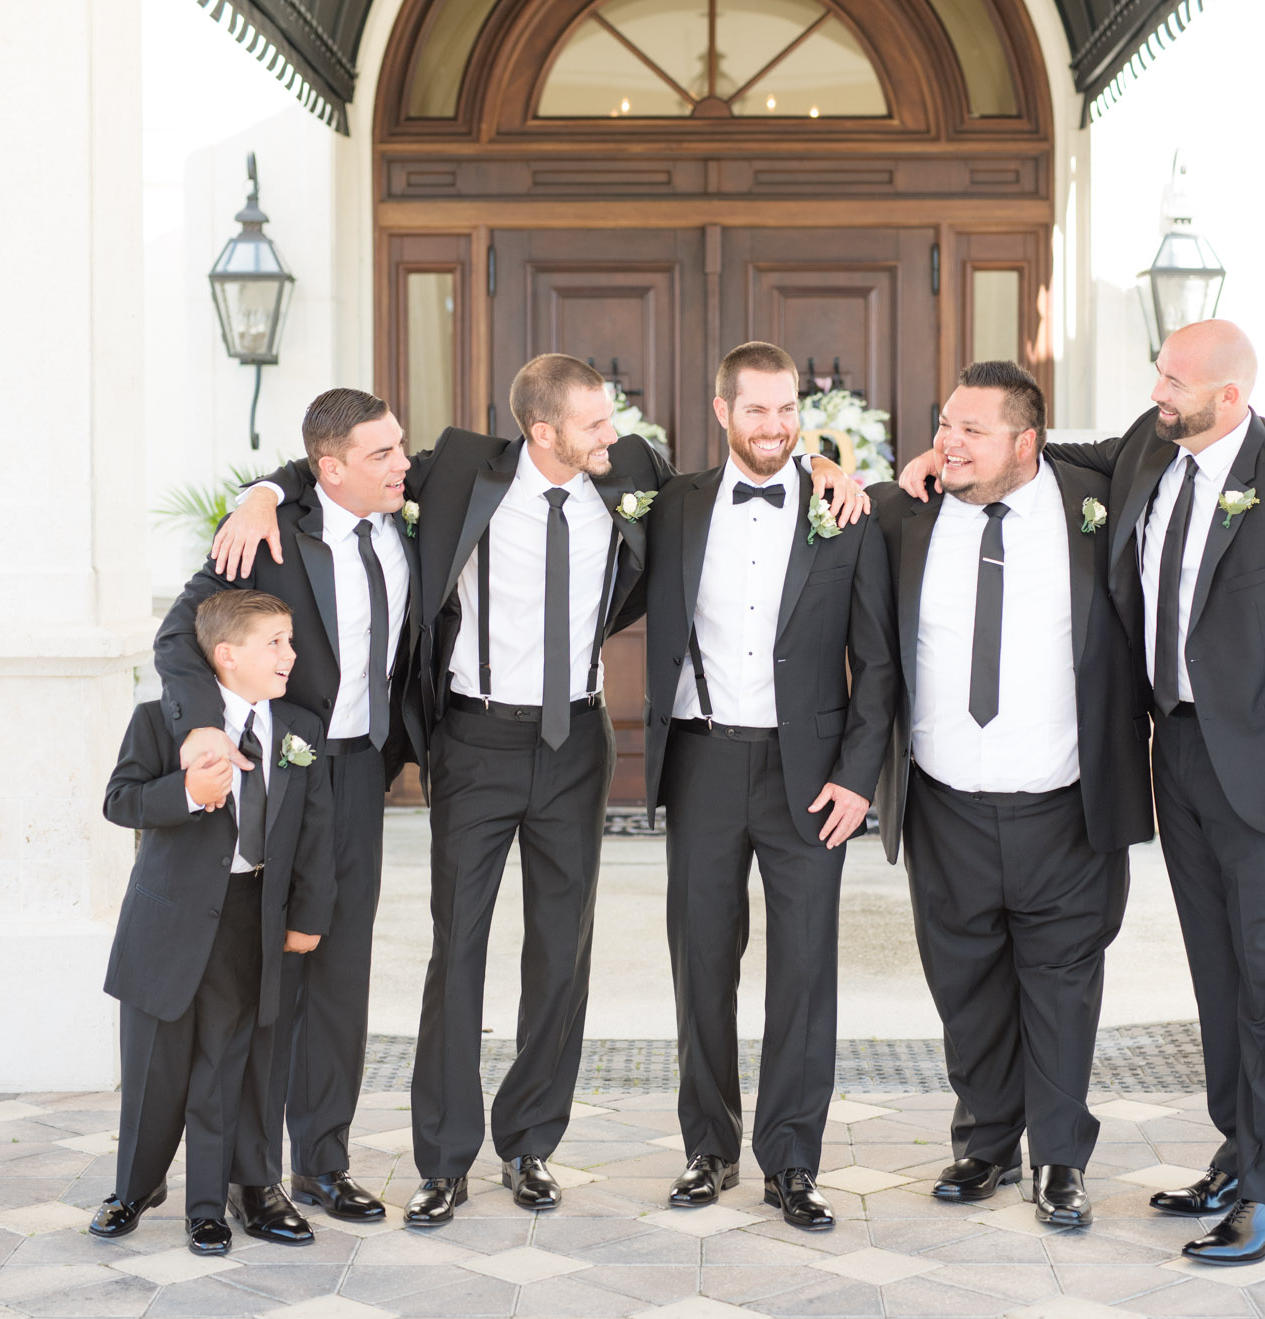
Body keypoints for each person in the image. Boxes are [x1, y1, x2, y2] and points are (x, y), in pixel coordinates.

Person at [210, 356, 870, 1226]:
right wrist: (262, 488)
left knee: (561, 951)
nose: (618, 434)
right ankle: (443, 1159)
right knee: (461, 947)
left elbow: (755, 472)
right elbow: (340, 462)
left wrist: (825, 464)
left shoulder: (633, 474)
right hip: (476, 739)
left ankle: (530, 1144)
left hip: (577, 744)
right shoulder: (456, 467)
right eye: (596, 423)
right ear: (544, 431)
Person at [899, 321, 1265, 1264]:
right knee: (1216, 974)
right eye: (1158, 373)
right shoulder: (1147, 453)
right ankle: (1235, 1150)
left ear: (1229, 396)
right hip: (1181, 761)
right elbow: (1047, 450)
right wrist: (946, 450)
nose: (1155, 389)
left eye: (1173, 378)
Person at [869, 361, 1151, 1227]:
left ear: (1028, 443)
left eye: (973, 430)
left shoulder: (1091, 504)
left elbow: (1151, 430)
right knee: (967, 983)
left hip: (1066, 803)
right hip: (945, 802)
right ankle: (985, 1141)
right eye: (944, 423)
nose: (948, 442)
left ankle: (1060, 1157)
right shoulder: (902, 515)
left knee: (1063, 985)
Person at [641, 342, 897, 1231]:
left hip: (811, 775)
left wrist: (860, 779)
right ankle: (706, 1148)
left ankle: (792, 1159)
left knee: (803, 970)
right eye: (756, 410)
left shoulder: (843, 510)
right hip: (705, 759)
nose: (776, 426)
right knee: (702, 963)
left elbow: (879, 659)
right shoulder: (672, 508)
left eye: (788, 409)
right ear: (721, 412)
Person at [154, 389, 420, 1241]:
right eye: (382, 454)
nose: (402, 464)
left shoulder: (405, 518)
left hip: (363, 773)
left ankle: (325, 1164)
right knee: (270, 983)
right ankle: (251, 1177)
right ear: (329, 469)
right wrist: (204, 728)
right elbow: (177, 638)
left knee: (341, 973)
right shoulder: (266, 535)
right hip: (281, 780)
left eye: (401, 449)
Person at [94, 589, 333, 1257]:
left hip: (248, 919)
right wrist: (187, 795)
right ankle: (133, 1188)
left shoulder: (299, 731)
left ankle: (210, 1206)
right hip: (165, 926)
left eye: (290, 640)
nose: (291, 654)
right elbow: (120, 800)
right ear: (225, 655)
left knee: (225, 1068)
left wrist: (309, 914)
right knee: (154, 1067)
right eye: (275, 643)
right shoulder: (159, 720)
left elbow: (315, 832)